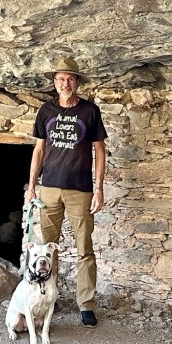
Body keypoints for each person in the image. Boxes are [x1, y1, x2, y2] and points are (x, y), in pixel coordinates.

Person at [24, 56, 108, 328]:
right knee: (45, 249)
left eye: (70, 79)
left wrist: (99, 189)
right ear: (54, 82)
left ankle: (86, 304)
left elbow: (99, 151)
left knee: (84, 249)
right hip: (49, 188)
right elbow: (39, 150)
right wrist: (31, 187)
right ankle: (47, 297)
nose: (65, 83)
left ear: (77, 82)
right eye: (60, 79)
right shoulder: (46, 110)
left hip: (80, 189)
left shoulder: (90, 111)